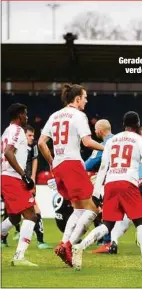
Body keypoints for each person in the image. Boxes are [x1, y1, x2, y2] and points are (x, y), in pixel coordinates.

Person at [71, 111, 142, 272]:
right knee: (140, 223)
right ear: (138, 124)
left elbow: (103, 167)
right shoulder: (140, 140)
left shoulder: (112, 140)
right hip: (128, 183)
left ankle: (80, 246)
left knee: (107, 224)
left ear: (123, 124)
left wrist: (96, 192)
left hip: (111, 183)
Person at [38, 84, 104, 267]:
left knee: (78, 209)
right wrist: (107, 148)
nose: (86, 100)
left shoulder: (54, 115)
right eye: (85, 97)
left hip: (58, 166)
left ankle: (63, 243)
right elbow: (87, 141)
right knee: (93, 210)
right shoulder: (79, 115)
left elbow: (41, 142)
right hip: (72, 164)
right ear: (77, 99)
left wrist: (52, 162)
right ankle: (67, 245)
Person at [0, 103, 38, 266]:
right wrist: (24, 176)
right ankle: (19, 257)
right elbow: (8, 152)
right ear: (19, 115)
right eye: (25, 114)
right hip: (13, 177)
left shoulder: (6, 131)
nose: (27, 117)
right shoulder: (16, 130)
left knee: (14, 217)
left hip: (7, 176)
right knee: (31, 215)